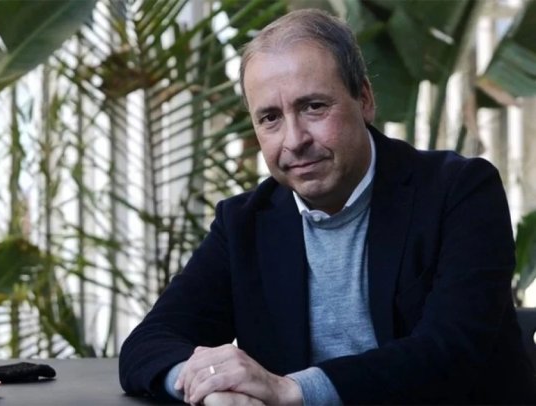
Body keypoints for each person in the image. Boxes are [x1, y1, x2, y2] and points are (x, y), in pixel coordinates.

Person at [119, 8, 536, 405]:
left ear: (365, 99)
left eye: (313, 107)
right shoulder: (244, 222)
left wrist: (291, 391)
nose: (294, 140)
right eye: (270, 118)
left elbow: (451, 350)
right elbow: (149, 343)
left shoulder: (460, 191)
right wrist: (204, 381)